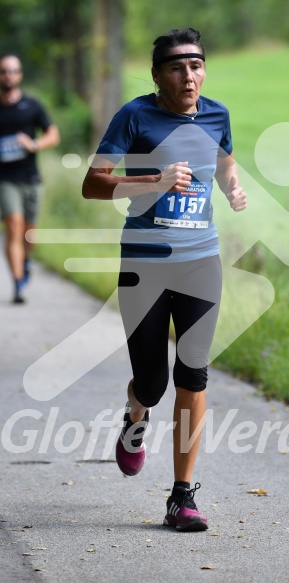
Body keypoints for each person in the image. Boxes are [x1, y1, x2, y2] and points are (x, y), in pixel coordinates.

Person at [83, 28, 246, 532]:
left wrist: (233, 186)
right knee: (153, 383)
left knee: (192, 373)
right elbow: (93, 183)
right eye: (177, 67)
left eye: (196, 65)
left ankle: (182, 496)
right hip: (144, 264)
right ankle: (136, 415)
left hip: (202, 261)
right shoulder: (135, 116)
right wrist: (152, 181)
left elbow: (223, 162)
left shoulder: (217, 114)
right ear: (158, 75)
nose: (189, 75)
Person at [0, 54, 60, 303]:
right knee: (13, 226)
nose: (8, 75)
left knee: (28, 234)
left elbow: (53, 134)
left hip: (31, 178)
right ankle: (17, 285)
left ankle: (24, 261)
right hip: (5, 179)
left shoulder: (32, 105)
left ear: (20, 75)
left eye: (13, 71)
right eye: (4, 71)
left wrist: (34, 144)